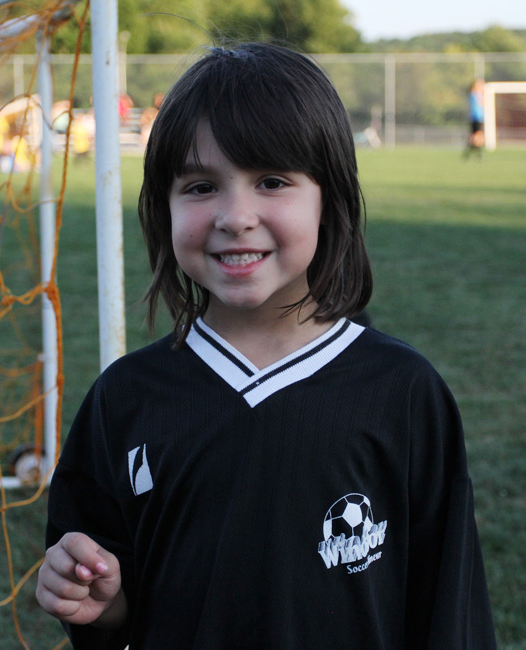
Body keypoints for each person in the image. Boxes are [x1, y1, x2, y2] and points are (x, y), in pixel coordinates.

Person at [37, 42, 497, 650]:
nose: (236, 215)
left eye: (272, 181)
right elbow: (113, 596)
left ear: (328, 199)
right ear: (162, 208)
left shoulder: (402, 393)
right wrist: (97, 598)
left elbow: (449, 605)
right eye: (201, 187)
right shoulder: (123, 400)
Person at [464, 78, 486, 160]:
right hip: (476, 118)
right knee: (478, 137)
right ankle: (478, 154)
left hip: (477, 118)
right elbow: (481, 102)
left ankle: (469, 153)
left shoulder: (474, 94)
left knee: (476, 137)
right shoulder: (474, 94)